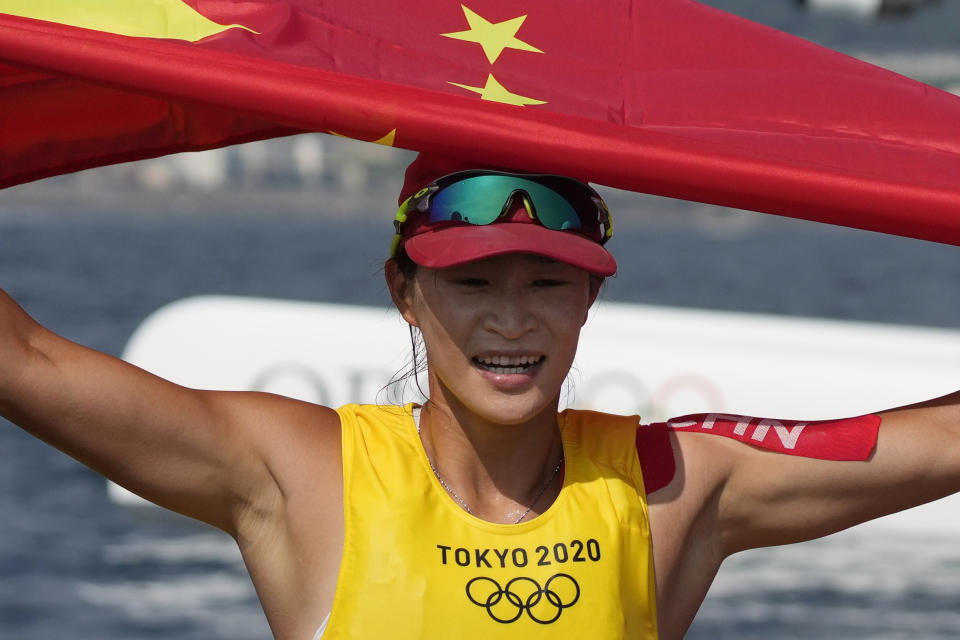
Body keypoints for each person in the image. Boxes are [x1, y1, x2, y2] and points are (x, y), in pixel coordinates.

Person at [0, 151, 958, 640]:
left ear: (590, 299)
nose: (513, 322)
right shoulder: (305, 474)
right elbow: (26, 362)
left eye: (548, 285)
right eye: (472, 284)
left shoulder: (670, 486)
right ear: (404, 295)